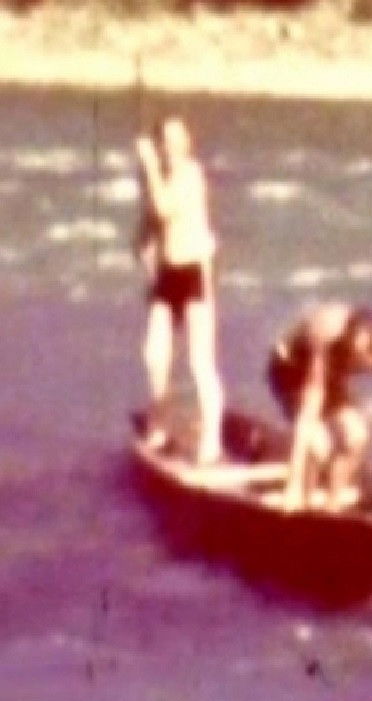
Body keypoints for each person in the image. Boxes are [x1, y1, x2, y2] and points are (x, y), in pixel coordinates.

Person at [267, 302, 372, 514]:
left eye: (360, 355)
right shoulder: (325, 333)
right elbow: (309, 410)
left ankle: (332, 508)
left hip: (332, 377)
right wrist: (292, 484)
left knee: (356, 436)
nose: (355, 357)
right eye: (351, 350)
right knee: (318, 443)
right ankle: (301, 504)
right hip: (290, 370)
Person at [134, 117, 223, 464]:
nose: (171, 147)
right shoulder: (161, 178)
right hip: (167, 276)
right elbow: (151, 221)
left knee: (200, 361)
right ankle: (161, 421)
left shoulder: (190, 174)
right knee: (155, 356)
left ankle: (212, 439)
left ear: (187, 143)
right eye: (165, 141)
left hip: (194, 273)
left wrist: (149, 166)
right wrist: (144, 246)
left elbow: (165, 208)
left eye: (178, 139)